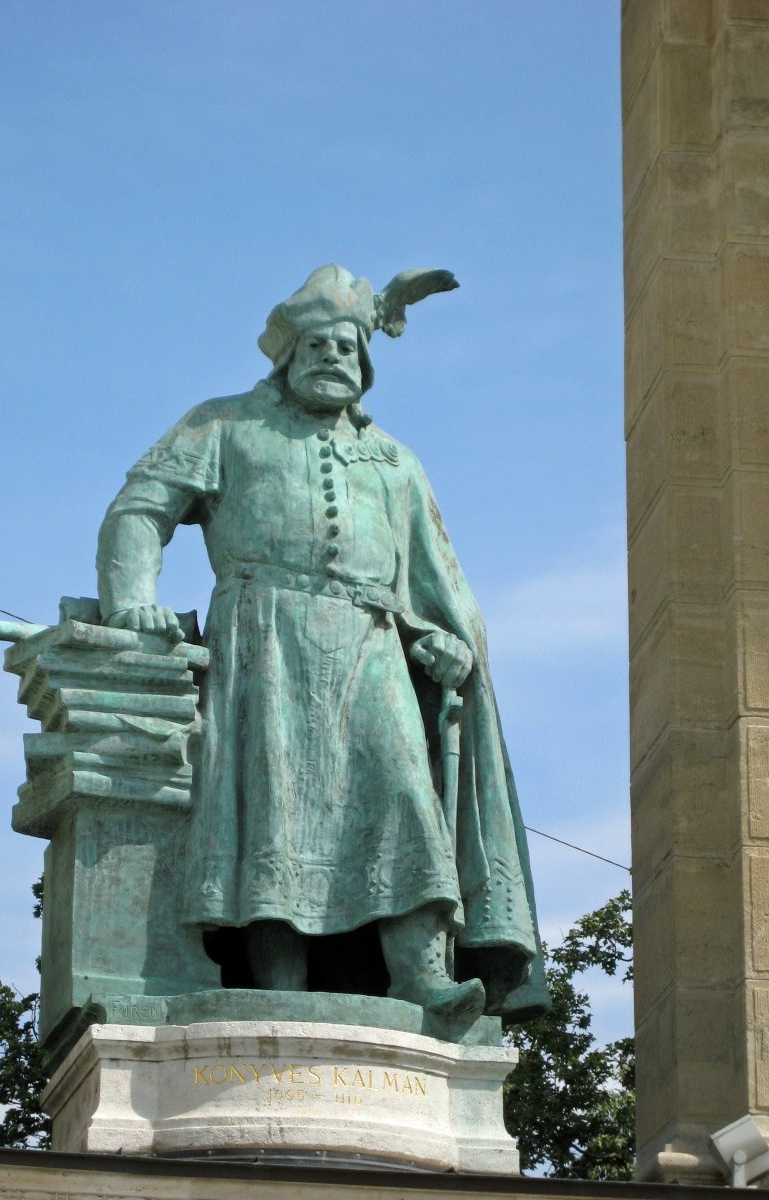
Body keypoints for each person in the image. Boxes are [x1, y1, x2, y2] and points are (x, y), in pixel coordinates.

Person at [96, 265, 549, 1022]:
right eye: (317, 343)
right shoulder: (224, 424)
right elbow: (139, 510)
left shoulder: (397, 462)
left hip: (370, 647)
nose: (333, 356)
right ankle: (279, 993)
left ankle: (420, 978)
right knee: (274, 809)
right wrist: (133, 600)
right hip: (262, 640)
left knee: (405, 795)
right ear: (288, 354)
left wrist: (443, 641)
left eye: (347, 346)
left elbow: (431, 584)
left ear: (365, 364)